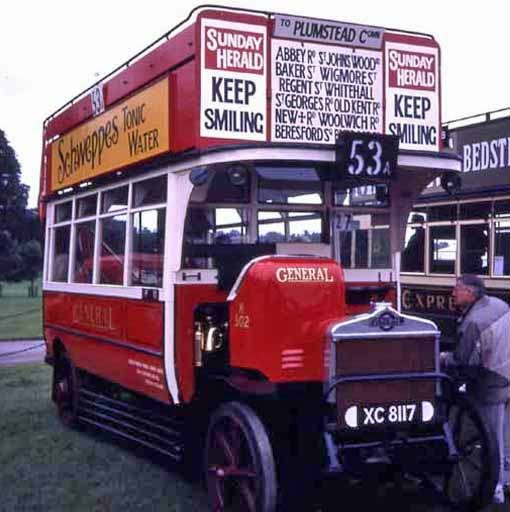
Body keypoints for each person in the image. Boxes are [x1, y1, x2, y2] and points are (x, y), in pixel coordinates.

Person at [441, 274, 510, 503]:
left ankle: (495, 487)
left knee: (492, 436)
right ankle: (506, 476)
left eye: (456, 289)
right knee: (504, 432)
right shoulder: (500, 304)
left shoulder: (473, 322)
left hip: (490, 381)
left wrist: (441, 358)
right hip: (506, 372)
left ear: (470, 293)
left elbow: (463, 361)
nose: (453, 294)